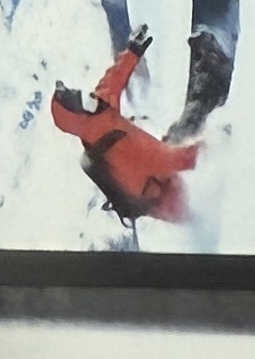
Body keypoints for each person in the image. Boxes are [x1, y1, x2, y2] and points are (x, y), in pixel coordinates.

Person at [49, 33, 201, 228]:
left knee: (182, 134)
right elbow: (175, 161)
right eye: (73, 96)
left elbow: (113, 81)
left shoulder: (98, 113)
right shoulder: (118, 146)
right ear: (76, 110)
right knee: (208, 215)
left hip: (166, 173)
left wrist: (132, 52)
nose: (77, 92)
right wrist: (216, 146)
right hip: (171, 199)